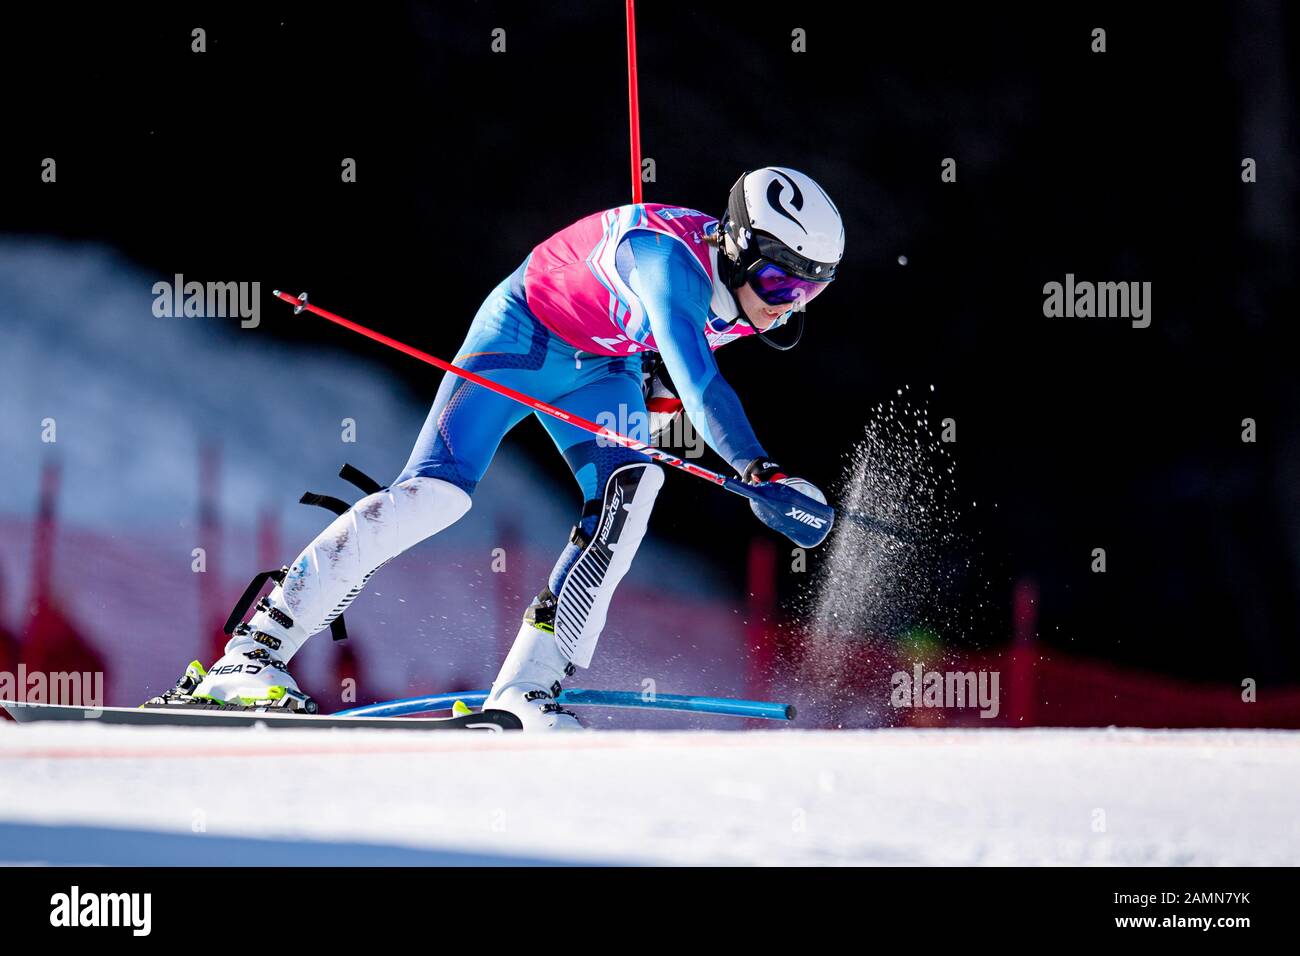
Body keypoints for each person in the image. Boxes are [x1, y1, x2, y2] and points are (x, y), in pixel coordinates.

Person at [152, 167, 845, 730]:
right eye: (783, 284)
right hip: (523, 338)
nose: (788, 307)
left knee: (631, 490)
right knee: (435, 497)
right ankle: (249, 656)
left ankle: (527, 689)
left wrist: (662, 411)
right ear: (739, 246)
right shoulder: (673, 267)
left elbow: (672, 380)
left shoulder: (749, 295)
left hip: (601, 367)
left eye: (810, 290)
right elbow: (702, 385)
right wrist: (760, 470)